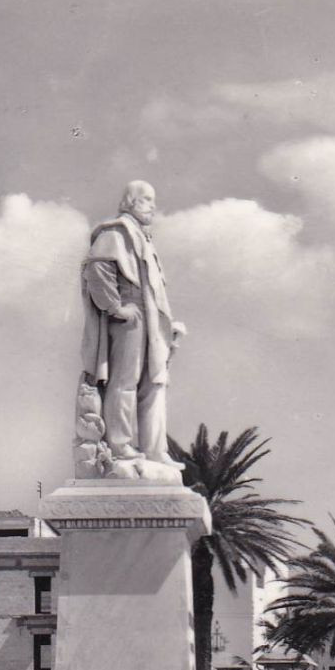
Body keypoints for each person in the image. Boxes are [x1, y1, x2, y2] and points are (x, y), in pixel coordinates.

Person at [76, 180, 187, 477]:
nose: (152, 205)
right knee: (125, 381)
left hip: (151, 318)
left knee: (155, 382)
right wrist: (116, 307)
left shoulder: (143, 237)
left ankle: (155, 450)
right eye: (147, 199)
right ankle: (121, 445)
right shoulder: (116, 232)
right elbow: (97, 268)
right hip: (132, 316)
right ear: (131, 201)